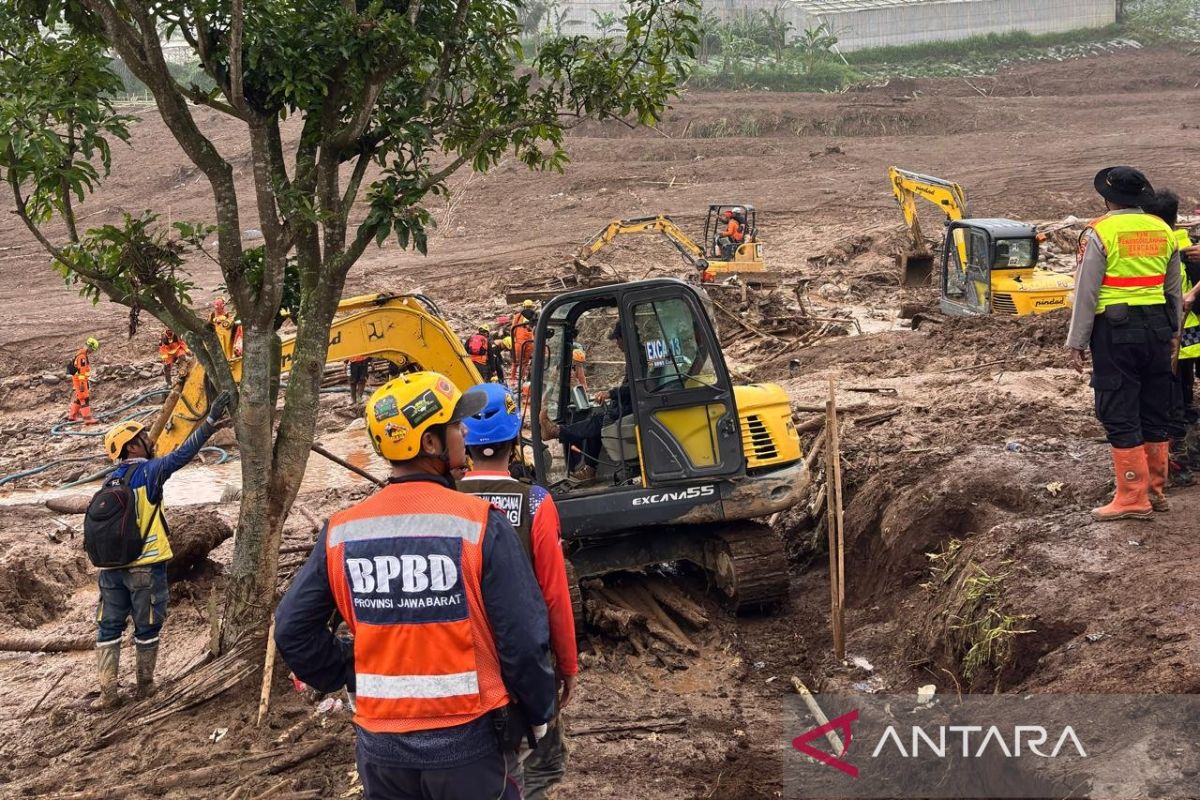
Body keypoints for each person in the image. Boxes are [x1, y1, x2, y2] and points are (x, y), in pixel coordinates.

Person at [274, 372, 556, 800]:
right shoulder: (478, 524)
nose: (464, 432)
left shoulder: (341, 532)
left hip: (382, 753)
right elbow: (522, 639)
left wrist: (350, 670)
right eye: (454, 425)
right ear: (430, 443)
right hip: (471, 746)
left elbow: (292, 629)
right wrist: (539, 714)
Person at [459, 383, 578, 800]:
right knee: (539, 770)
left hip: (464, 661)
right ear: (515, 438)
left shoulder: (446, 500)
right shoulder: (536, 502)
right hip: (525, 662)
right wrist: (567, 665)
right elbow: (554, 596)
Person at [93, 389, 232, 708]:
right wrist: (210, 421)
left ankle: (108, 693)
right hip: (146, 567)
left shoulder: (109, 482)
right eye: (142, 436)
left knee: (109, 626)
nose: (148, 439)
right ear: (132, 446)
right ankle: (145, 687)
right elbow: (182, 455)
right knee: (147, 626)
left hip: (110, 572)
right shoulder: (149, 472)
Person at [1066, 166, 1182, 520]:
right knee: (1153, 408)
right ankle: (1154, 490)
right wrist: (1174, 332)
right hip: (1158, 331)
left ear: (1107, 198)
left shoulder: (1100, 231)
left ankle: (1132, 497)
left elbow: (1087, 290)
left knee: (1118, 410)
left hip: (1115, 333)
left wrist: (1077, 340)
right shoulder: (1164, 230)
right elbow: (1172, 288)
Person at [1143, 190, 1195, 485]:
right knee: (1180, 399)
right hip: (1181, 334)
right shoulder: (1186, 244)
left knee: (1171, 400)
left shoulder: (1161, 247)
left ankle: (1175, 461)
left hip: (1170, 336)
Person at [539, 322, 633, 481]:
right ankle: (589, 468)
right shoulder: (635, 357)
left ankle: (557, 431)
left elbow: (634, 387)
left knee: (597, 421)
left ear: (624, 338)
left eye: (617, 339)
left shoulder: (638, 358)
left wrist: (610, 393)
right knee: (596, 417)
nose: (617, 344)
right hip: (628, 406)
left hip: (632, 409)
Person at [68, 337, 101, 425]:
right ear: (90, 347)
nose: (92, 352)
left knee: (79, 398)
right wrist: (82, 384)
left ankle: (72, 416)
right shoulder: (82, 357)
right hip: (80, 381)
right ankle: (88, 419)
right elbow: (82, 372)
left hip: (79, 379)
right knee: (84, 398)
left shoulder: (81, 354)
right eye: (92, 349)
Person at [512, 300, 538, 387]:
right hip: (524, 342)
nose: (528, 309)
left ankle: (519, 379)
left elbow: (513, 329)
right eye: (528, 307)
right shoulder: (519, 316)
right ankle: (516, 379)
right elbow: (513, 328)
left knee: (521, 362)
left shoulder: (530, 317)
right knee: (518, 361)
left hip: (525, 342)